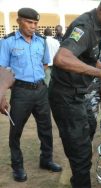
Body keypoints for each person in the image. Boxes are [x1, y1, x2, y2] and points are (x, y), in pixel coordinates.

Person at [48, 0, 101, 187]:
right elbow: (62, 58)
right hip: (66, 95)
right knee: (80, 151)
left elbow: (89, 58)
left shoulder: (100, 27)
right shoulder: (84, 27)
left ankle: (78, 165)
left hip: (80, 94)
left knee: (90, 127)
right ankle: (80, 177)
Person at [0, 8, 62, 182]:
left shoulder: (41, 41)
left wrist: (37, 81)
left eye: (35, 23)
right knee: (16, 131)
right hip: (20, 92)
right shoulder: (8, 42)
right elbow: (1, 70)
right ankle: (17, 166)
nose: (33, 26)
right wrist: (2, 96)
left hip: (41, 90)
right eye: (29, 22)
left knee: (46, 128)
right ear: (19, 21)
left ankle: (46, 160)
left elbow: (45, 64)